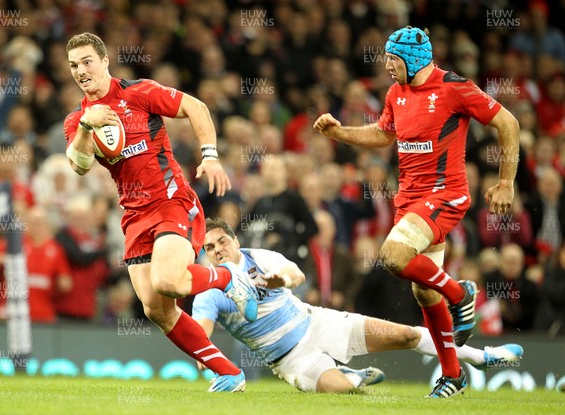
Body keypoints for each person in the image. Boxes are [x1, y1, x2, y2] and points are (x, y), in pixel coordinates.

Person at [313, 26, 520, 398]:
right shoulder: (397, 93)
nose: (387, 66)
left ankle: (461, 294)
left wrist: (506, 182)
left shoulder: (454, 87)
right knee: (425, 294)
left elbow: (508, 122)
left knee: (393, 257)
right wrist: (340, 133)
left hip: (445, 196)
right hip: (409, 201)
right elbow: (382, 133)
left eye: (393, 59)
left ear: (412, 59)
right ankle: (453, 375)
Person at [63, 32, 258, 392]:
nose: (81, 70)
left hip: (172, 202)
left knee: (168, 280)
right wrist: (88, 126)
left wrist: (210, 156)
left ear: (105, 60)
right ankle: (229, 372)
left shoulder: (138, 93)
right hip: (134, 217)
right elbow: (78, 165)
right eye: (74, 65)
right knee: (157, 309)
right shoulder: (78, 120)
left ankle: (228, 279)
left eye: (87, 61)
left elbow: (195, 107)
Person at [192, 218, 524, 394]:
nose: (218, 249)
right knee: (341, 391)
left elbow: (293, 273)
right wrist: (207, 362)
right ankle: (351, 376)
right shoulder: (209, 290)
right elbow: (199, 337)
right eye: (210, 247)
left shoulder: (258, 256)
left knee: (407, 336)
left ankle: (481, 357)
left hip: (317, 321)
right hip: (290, 359)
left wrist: (282, 280)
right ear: (205, 253)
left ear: (235, 241)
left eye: (222, 241)